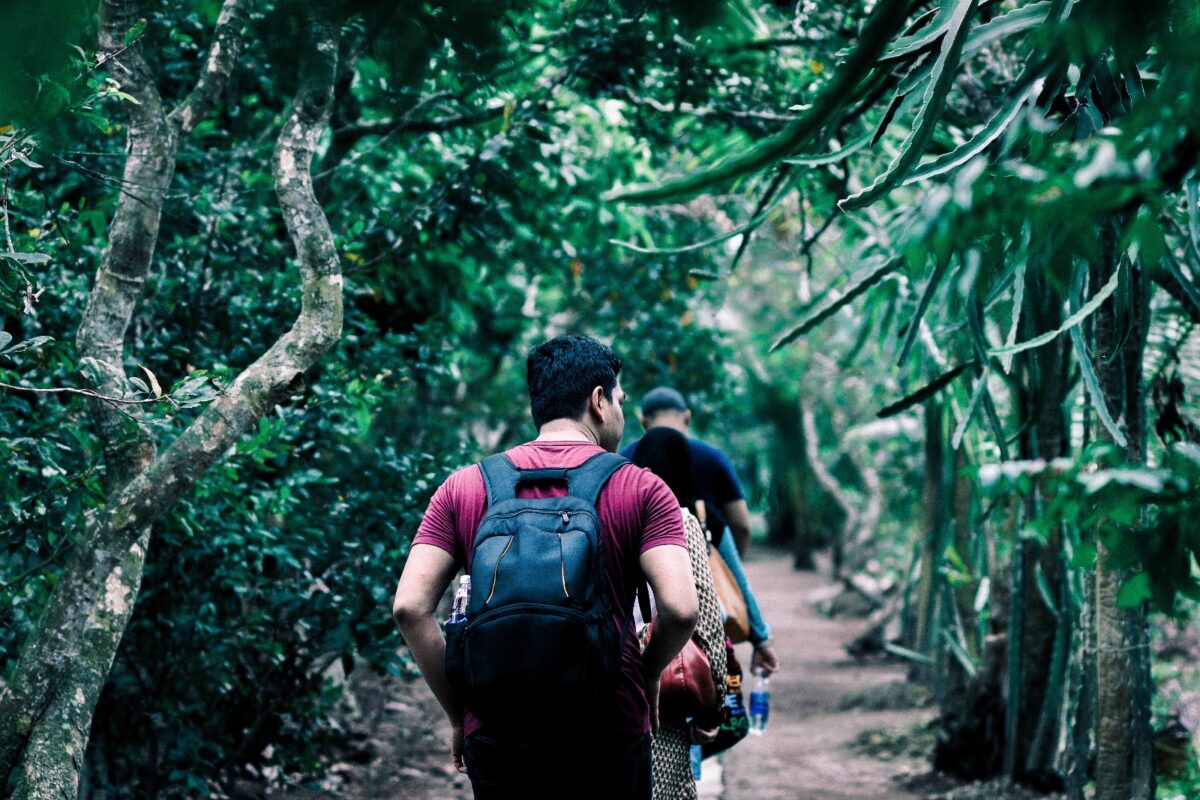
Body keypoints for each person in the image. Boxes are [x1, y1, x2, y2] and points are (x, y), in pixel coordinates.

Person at [392, 335, 699, 800]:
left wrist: (461, 712)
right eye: (619, 399)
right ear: (599, 401)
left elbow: (410, 609)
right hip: (609, 729)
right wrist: (647, 673)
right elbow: (679, 609)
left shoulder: (465, 487)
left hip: (497, 732)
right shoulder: (642, 488)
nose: (620, 411)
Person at [621, 386, 779, 677]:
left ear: (644, 421)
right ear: (688, 417)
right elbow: (742, 523)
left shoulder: (625, 461)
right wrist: (761, 637)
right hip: (701, 639)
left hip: (633, 645)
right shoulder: (712, 460)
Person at [631, 427, 727, 800]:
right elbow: (701, 616)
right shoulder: (681, 520)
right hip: (663, 684)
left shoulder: (605, 510)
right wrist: (712, 704)